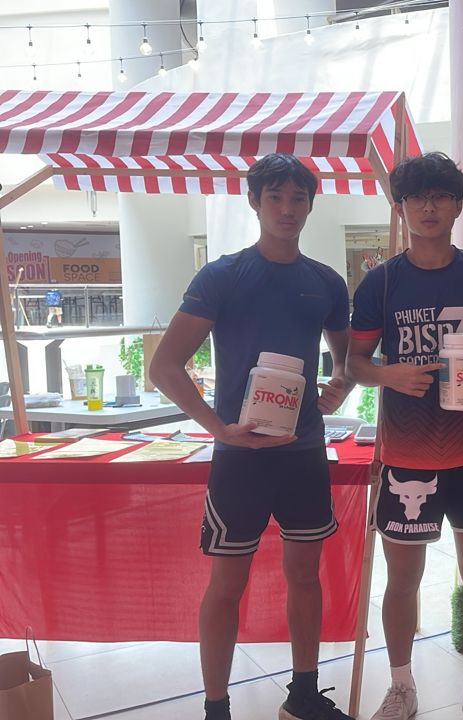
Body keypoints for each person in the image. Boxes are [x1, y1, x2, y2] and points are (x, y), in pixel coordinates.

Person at [149, 154, 354, 720]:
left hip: (304, 451)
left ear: (310, 204)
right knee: (226, 584)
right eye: (275, 197)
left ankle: (303, 695)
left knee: (305, 577)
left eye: (298, 198)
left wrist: (339, 385)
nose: (287, 209)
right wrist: (219, 428)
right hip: (239, 456)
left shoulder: (326, 282)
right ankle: (216, 708)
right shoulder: (223, 276)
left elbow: (346, 359)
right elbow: (164, 366)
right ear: (254, 202)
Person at [347, 152, 463, 720]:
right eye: (416, 197)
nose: (428, 207)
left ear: (457, 205)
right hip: (407, 455)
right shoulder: (381, 282)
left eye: (440, 196)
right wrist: (388, 375)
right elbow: (353, 362)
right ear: (400, 206)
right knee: (403, 579)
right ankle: (401, 687)